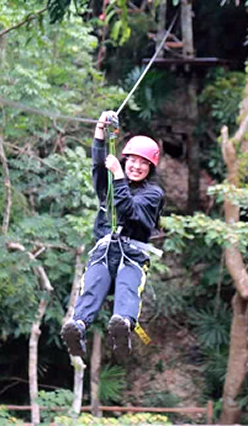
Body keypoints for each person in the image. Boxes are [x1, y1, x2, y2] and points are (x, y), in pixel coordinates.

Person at [62, 110, 164, 361]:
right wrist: (100, 130)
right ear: (125, 158)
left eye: (143, 163)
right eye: (132, 161)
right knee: (93, 284)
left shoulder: (153, 195)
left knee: (128, 288)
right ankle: (78, 327)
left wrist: (118, 174)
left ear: (150, 168)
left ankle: (122, 326)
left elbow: (127, 209)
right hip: (105, 250)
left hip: (132, 254)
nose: (136, 166)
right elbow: (98, 165)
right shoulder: (109, 181)